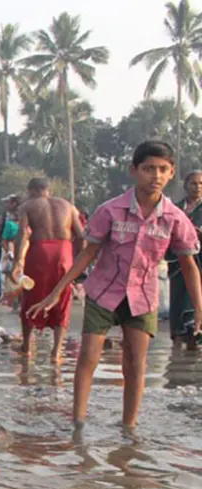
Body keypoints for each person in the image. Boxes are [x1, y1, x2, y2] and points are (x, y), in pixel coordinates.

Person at [29, 140, 202, 428]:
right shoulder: (111, 210)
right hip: (103, 293)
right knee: (88, 358)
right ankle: (78, 424)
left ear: (171, 173)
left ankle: (129, 427)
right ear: (134, 171)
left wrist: (199, 308)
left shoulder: (175, 219)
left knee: (135, 364)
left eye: (162, 169)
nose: (155, 176)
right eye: (148, 169)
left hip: (143, 297)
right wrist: (57, 291)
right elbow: (88, 253)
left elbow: (189, 265)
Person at [12, 177, 83, 361]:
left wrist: (17, 261)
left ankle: (27, 347)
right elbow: (81, 235)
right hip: (64, 252)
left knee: (30, 295)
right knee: (63, 298)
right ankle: (56, 351)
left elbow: (22, 233)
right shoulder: (68, 206)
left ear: (32, 191)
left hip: (39, 251)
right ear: (48, 190)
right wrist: (78, 260)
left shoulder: (28, 206)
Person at [168, 170, 202, 346]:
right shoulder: (174, 209)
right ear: (186, 185)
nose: (197, 187)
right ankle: (177, 345)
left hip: (199, 262)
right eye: (194, 183)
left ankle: (195, 337)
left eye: (201, 184)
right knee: (178, 300)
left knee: (196, 300)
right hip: (177, 264)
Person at [0, 196, 21, 303]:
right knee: (3, 271)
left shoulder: (21, 215)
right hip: (6, 246)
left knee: (12, 271)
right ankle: (1, 295)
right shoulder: (5, 216)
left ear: (14, 204)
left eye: (8, 203)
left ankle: (10, 296)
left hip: (14, 246)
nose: (6, 205)